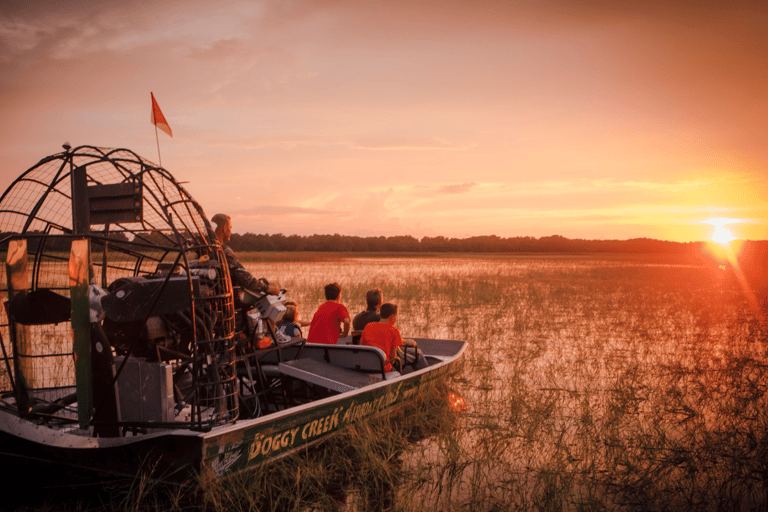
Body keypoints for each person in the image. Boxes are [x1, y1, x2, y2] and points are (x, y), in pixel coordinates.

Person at [211, 213, 278, 296]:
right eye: (230, 227)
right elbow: (243, 277)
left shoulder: (204, 250)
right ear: (224, 228)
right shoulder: (223, 250)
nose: (231, 231)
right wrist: (265, 288)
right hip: (227, 298)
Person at [360, 303, 428, 373]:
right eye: (396, 316)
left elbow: (362, 346)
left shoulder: (368, 326)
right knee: (415, 355)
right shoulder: (394, 330)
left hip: (367, 365)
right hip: (383, 367)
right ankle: (426, 374)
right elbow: (393, 359)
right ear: (392, 317)